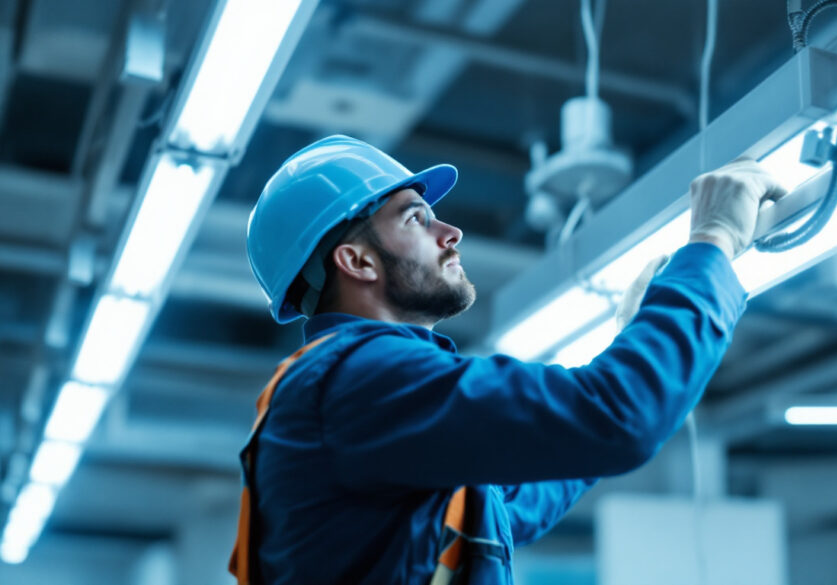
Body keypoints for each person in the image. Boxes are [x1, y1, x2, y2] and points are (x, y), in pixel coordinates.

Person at [232, 135, 785, 585]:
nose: (451, 233)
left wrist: (624, 343)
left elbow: (506, 506)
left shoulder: (362, 396)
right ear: (355, 260)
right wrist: (712, 243)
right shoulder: (358, 378)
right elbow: (618, 417)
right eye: (416, 219)